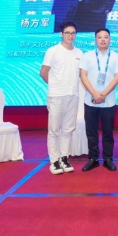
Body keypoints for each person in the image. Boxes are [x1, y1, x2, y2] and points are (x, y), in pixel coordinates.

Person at [40, 21, 82, 175]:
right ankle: (54, 161)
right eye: (67, 33)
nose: (70, 35)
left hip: (73, 95)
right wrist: (55, 86)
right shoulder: (53, 51)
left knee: (68, 129)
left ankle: (64, 158)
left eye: (73, 33)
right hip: (57, 96)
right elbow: (43, 72)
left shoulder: (79, 53)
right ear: (61, 34)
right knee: (54, 130)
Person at [79, 28, 118, 172]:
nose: (103, 40)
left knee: (108, 132)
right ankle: (93, 159)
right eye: (100, 37)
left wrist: (103, 94)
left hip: (109, 101)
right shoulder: (87, 56)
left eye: (106, 37)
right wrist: (94, 93)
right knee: (91, 132)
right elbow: (83, 76)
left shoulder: (116, 57)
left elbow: (117, 77)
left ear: (110, 39)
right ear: (95, 40)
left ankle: (108, 159)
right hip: (90, 100)